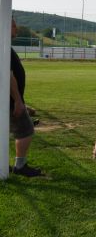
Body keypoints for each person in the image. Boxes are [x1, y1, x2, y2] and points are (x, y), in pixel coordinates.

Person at [8, 17, 42, 177]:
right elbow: (9, 76)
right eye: (13, 25)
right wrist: (18, 102)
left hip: (10, 100)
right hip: (9, 101)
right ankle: (20, 166)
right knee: (26, 130)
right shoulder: (3, 47)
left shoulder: (5, 46)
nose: (16, 28)